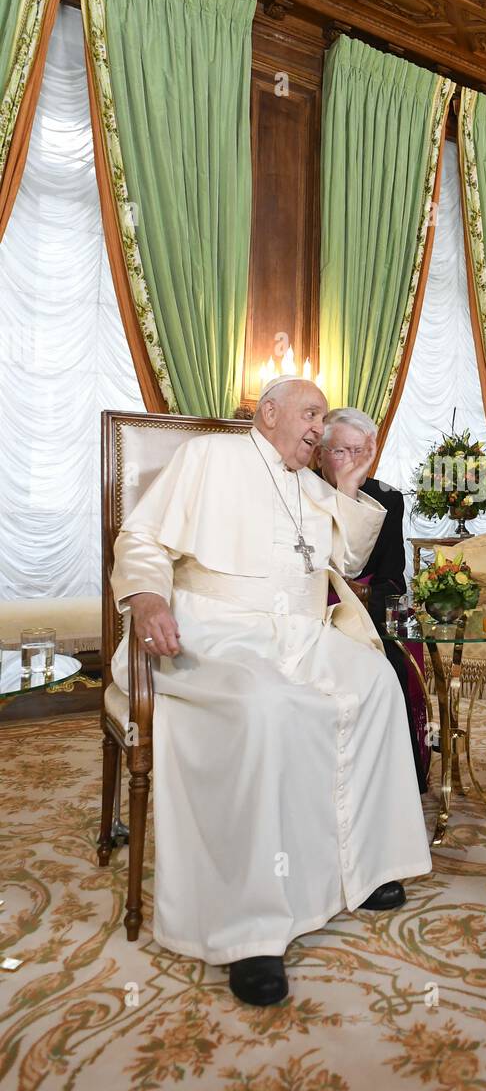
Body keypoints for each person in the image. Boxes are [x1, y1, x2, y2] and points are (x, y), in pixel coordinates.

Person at [110, 376, 431, 1007]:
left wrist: (346, 485)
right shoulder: (210, 456)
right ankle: (249, 930)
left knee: (375, 684)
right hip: (217, 633)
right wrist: (147, 595)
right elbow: (141, 537)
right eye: (310, 414)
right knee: (262, 710)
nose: (320, 426)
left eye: (322, 417)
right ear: (270, 412)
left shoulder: (307, 482)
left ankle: (361, 870)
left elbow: (350, 556)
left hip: (301, 635)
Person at [318, 407, 429, 791]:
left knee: (394, 664)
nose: (351, 462)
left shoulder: (387, 498)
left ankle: (401, 780)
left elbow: (393, 575)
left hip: (369, 606)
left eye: (360, 452)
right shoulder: (302, 491)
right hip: (314, 607)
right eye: (341, 451)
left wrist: (367, 597)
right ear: (320, 451)